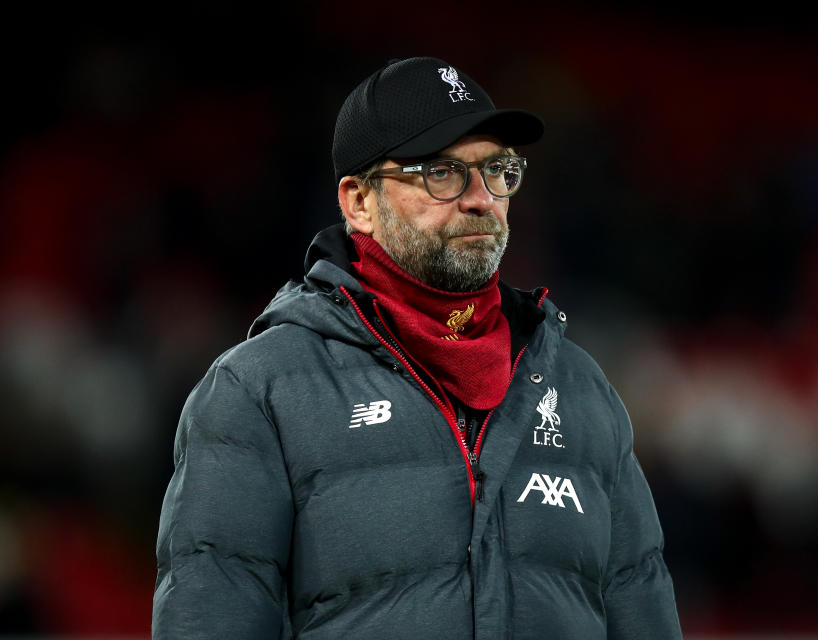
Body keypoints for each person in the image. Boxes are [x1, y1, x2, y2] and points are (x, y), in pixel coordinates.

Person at [152, 56, 682, 640]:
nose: (482, 198)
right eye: (442, 173)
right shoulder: (262, 390)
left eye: (498, 171)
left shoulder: (580, 388)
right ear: (358, 202)